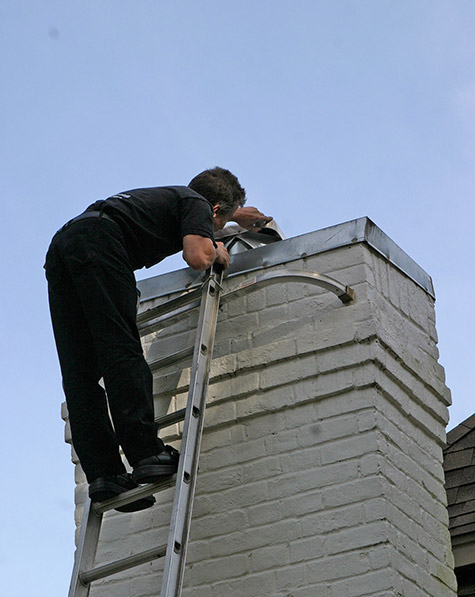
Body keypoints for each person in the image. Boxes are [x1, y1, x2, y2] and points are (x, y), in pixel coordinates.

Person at [45, 167, 271, 511]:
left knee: (80, 374)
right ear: (214, 210)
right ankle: (146, 453)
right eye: (218, 221)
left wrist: (234, 217)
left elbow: (205, 214)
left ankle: (104, 475)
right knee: (120, 350)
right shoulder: (195, 203)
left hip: (64, 248)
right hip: (100, 243)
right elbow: (197, 256)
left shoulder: (179, 198)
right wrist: (218, 251)